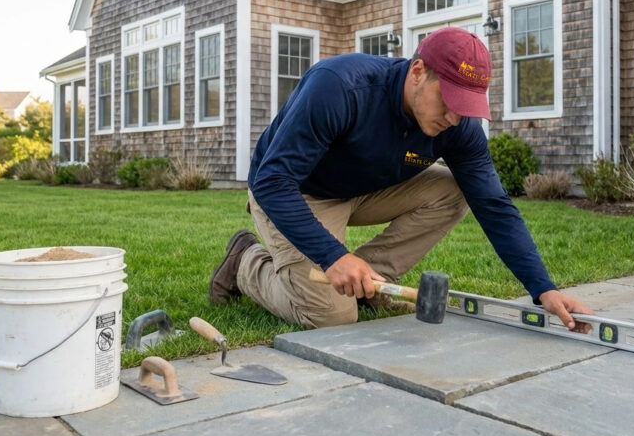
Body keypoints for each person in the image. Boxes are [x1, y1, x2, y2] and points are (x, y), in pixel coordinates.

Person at [209, 26, 593, 331]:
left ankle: (366, 282)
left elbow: (493, 204)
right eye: (449, 101)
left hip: (365, 188)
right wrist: (332, 257)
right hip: (297, 191)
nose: (454, 118)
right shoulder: (340, 86)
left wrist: (543, 288)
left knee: (455, 190)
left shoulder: (458, 127)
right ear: (417, 72)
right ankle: (245, 262)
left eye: (465, 108)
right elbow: (272, 181)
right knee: (331, 318)